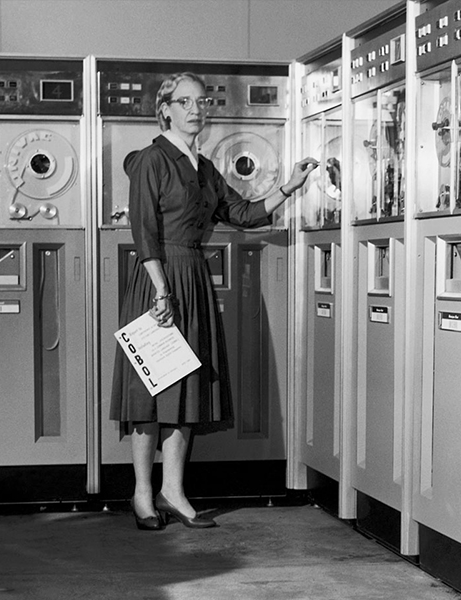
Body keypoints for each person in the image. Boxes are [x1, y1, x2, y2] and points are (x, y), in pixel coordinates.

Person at [113, 72, 319, 531]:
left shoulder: (203, 167)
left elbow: (241, 213)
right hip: (159, 280)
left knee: (184, 392)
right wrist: (161, 288)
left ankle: (173, 491)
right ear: (165, 108)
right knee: (151, 392)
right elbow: (144, 229)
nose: (195, 109)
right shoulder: (152, 159)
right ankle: (143, 494)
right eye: (184, 101)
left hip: (193, 278)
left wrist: (288, 187)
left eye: (201, 101)